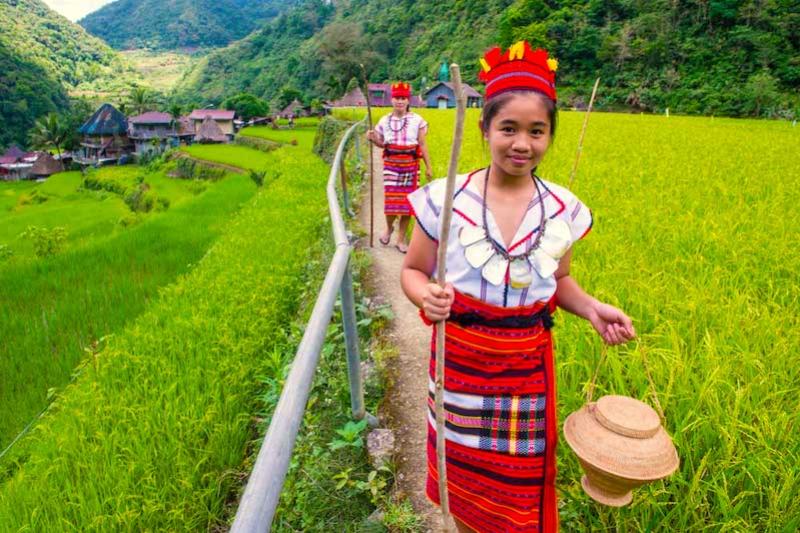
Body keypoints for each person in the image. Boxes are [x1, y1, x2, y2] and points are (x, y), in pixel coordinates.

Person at [401, 42, 636, 532]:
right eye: (508, 128)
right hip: (459, 366)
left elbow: (560, 281)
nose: (522, 143)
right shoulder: (445, 199)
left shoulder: (563, 209)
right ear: (484, 128)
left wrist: (592, 308)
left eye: (536, 131)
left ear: (550, 135)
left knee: (519, 490)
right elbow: (413, 270)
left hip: (525, 372)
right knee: (462, 483)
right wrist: (426, 296)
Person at [367, 82, 433, 253]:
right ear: (392, 99)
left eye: (403, 98)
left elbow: (422, 144)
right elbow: (382, 144)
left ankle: (401, 239)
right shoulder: (384, 120)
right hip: (391, 165)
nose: (400, 101)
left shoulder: (418, 120)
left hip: (411, 165)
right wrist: (373, 139)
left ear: (408, 100)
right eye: (397, 98)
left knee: (408, 204)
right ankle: (389, 228)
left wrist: (428, 166)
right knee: (392, 201)